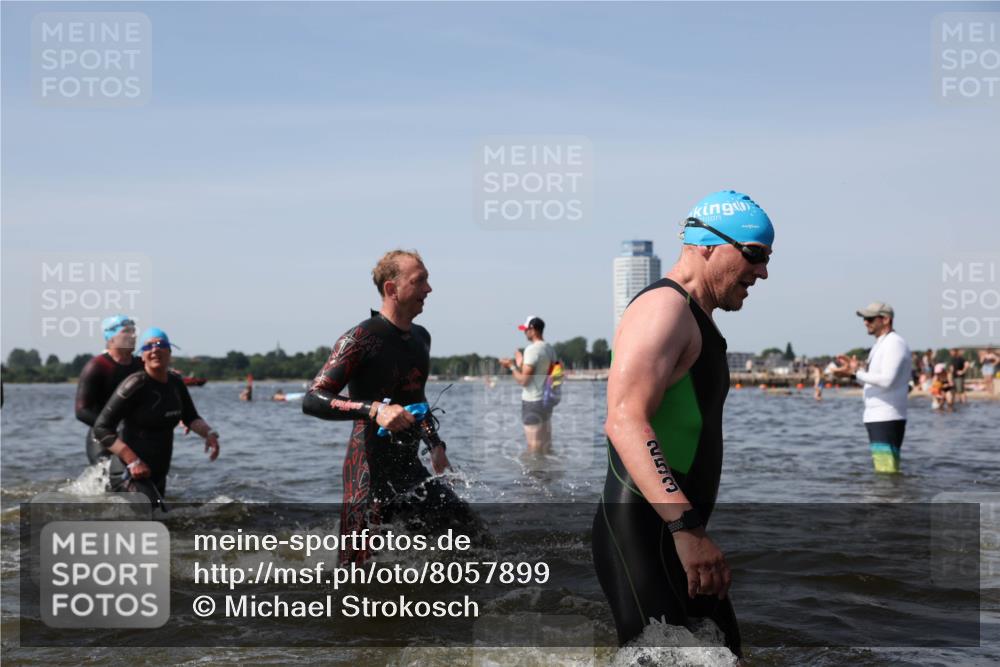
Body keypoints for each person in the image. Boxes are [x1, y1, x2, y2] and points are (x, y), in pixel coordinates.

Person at [593, 190, 775, 657]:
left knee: (727, 656)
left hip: (674, 530)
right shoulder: (665, 309)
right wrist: (687, 531)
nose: (762, 271)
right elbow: (625, 420)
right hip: (646, 529)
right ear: (707, 245)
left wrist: (688, 530)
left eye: (766, 258)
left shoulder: (695, 316)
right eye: (754, 254)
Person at [303, 250, 475, 564]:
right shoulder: (360, 338)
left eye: (427, 280)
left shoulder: (421, 338)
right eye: (419, 281)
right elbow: (313, 398)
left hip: (409, 470)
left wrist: (435, 445)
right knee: (359, 571)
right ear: (392, 289)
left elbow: (416, 400)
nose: (429, 289)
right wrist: (374, 410)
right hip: (369, 477)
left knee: (471, 538)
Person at [93, 328, 220, 506]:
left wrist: (209, 433)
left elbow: (191, 417)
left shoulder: (176, 383)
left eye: (161, 345)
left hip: (156, 474)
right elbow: (101, 428)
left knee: (166, 523)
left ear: (169, 352)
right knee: (153, 519)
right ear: (142, 356)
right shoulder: (133, 385)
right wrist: (133, 461)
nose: (155, 350)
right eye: (148, 346)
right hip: (129, 472)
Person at [832, 303, 911, 473]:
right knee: (885, 471)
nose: (865, 322)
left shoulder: (894, 343)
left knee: (886, 472)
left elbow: (887, 380)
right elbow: (872, 381)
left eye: (869, 318)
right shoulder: (881, 344)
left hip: (886, 416)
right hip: (877, 416)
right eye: (864, 319)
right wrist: (852, 373)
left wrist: (856, 372)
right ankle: (888, 498)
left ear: (886, 319)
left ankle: (887, 499)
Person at [75, 315, 144, 470]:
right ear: (111, 338)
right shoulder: (97, 366)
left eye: (134, 331)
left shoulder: (140, 365)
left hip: (132, 435)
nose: (133, 335)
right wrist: (113, 428)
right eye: (126, 331)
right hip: (102, 437)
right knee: (107, 481)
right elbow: (81, 411)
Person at [500, 316, 556, 454]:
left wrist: (512, 366)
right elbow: (540, 372)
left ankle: (534, 475)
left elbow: (524, 381)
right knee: (545, 445)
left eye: (526, 329)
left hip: (532, 401)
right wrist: (521, 362)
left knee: (534, 447)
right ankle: (548, 475)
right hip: (546, 401)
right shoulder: (549, 349)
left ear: (533, 330)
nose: (524, 332)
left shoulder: (532, 350)